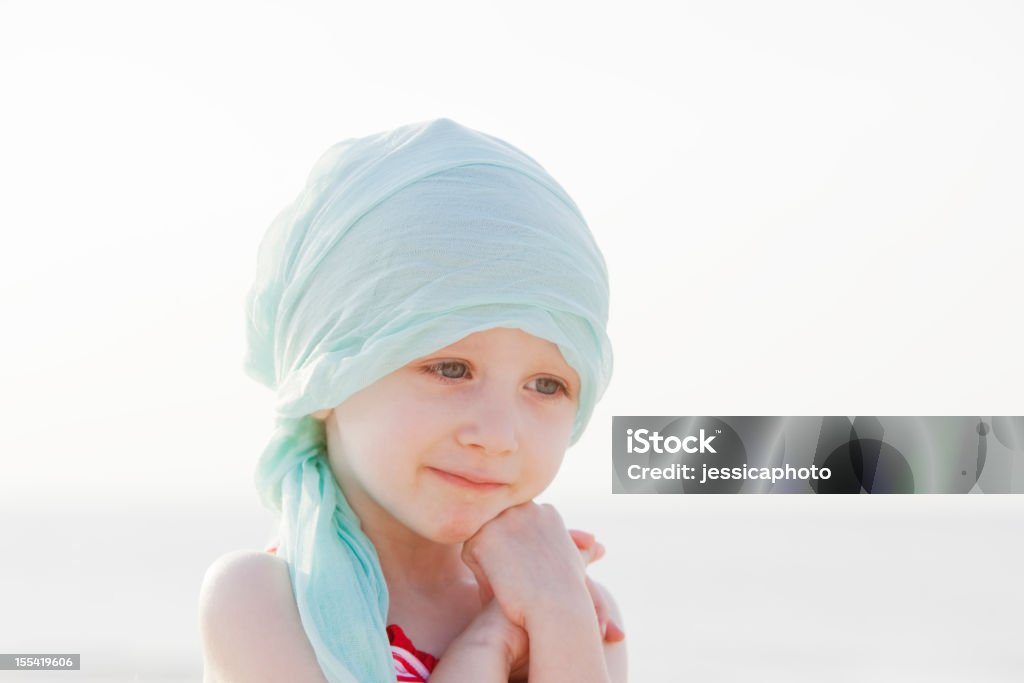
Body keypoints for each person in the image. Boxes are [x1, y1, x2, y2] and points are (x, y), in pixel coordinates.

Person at [198, 118, 627, 682]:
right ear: (328, 375)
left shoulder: (574, 608)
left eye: (546, 385)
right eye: (451, 369)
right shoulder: (265, 600)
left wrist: (558, 609)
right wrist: (491, 643)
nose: (496, 435)